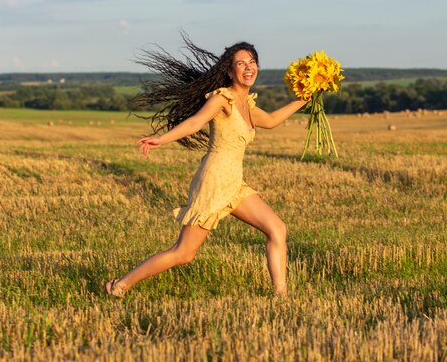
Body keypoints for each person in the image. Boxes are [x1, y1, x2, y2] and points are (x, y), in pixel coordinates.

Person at [105, 36, 307, 297]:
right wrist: (161, 139)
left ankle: (281, 296)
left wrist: (305, 98)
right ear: (230, 71)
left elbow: (270, 120)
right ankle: (120, 285)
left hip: (234, 184)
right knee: (183, 253)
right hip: (213, 182)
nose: (249, 67)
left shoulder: (247, 104)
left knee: (277, 228)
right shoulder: (223, 99)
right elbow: (195, 122)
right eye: (241, 63)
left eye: (253, 62)